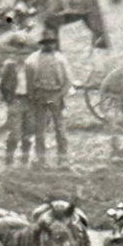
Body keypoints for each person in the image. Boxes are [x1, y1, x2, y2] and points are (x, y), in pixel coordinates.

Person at [22, 34, 72, 164]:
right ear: (41, 44)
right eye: (46, 43)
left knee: (60, 128)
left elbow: (68, 80)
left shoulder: (61, 59)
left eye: (51, 43)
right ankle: (41, 159)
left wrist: (61, 94)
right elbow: (29, 81)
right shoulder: (32, 59)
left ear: (54, 44)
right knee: (40, 129)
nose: (49, 45)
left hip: (56, 95)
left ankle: (63, 159)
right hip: (40, 96)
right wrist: (32, 96)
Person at [0, 44, 33, 166]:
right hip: (16, 100)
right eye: (19, 54)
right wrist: (8, 100)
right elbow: (2, 85)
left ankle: (24, 160)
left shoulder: (31, 67)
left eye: (25, 54)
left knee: (28, 131)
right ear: (15, 55)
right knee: (14, 132)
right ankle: (9, 160)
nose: (22, 57)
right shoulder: (9, 67)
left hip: (29, 101)